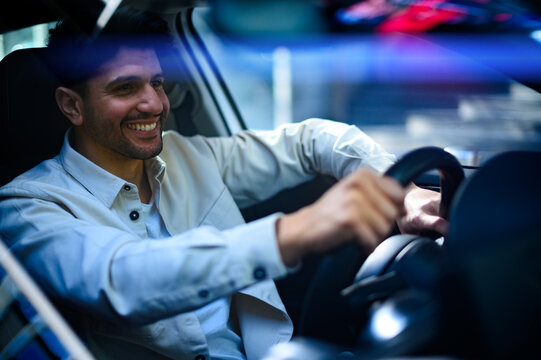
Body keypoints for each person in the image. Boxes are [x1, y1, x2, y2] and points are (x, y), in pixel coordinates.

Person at [0, 6, 445, 360]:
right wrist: (298, 231)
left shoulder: (188, 154)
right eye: (125, 88)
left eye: (157, 82)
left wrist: (396, 188)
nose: (154, 103)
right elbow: (124, 279)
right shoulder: (26, 206)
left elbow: (312, 140)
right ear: (71, 106)